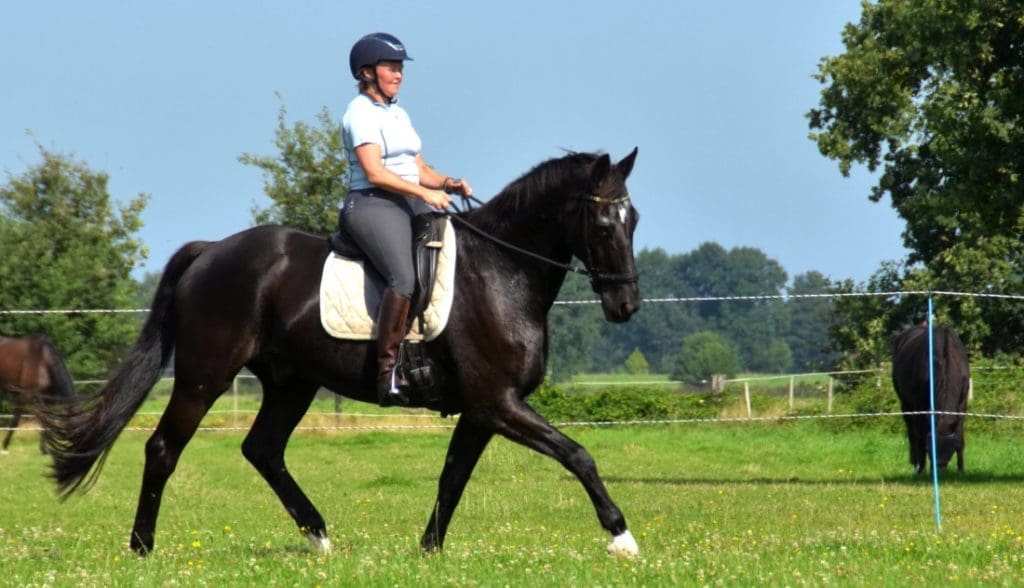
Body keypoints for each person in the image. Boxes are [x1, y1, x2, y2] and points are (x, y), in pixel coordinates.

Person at [340, 32, 473, 407]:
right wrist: (425, 194)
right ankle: (386, 375)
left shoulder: (398, 113)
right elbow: (377, 173)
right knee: (403, 277)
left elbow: (417, 168)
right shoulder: (359, 114)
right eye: (391, 67)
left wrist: (448, 182)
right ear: (367, 72)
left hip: (407, 200)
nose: (399, 74)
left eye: (400, 68)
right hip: (371, 203)